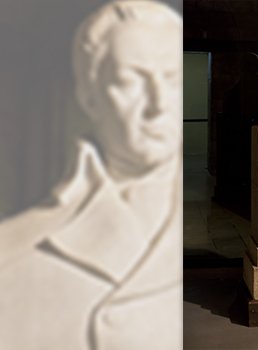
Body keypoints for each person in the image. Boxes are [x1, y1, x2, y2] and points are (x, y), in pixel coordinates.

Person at [0, 1, 182, 349]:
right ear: (89, 95)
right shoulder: (16, 250)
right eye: (132, 81)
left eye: (172, 79)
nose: (158, 103)